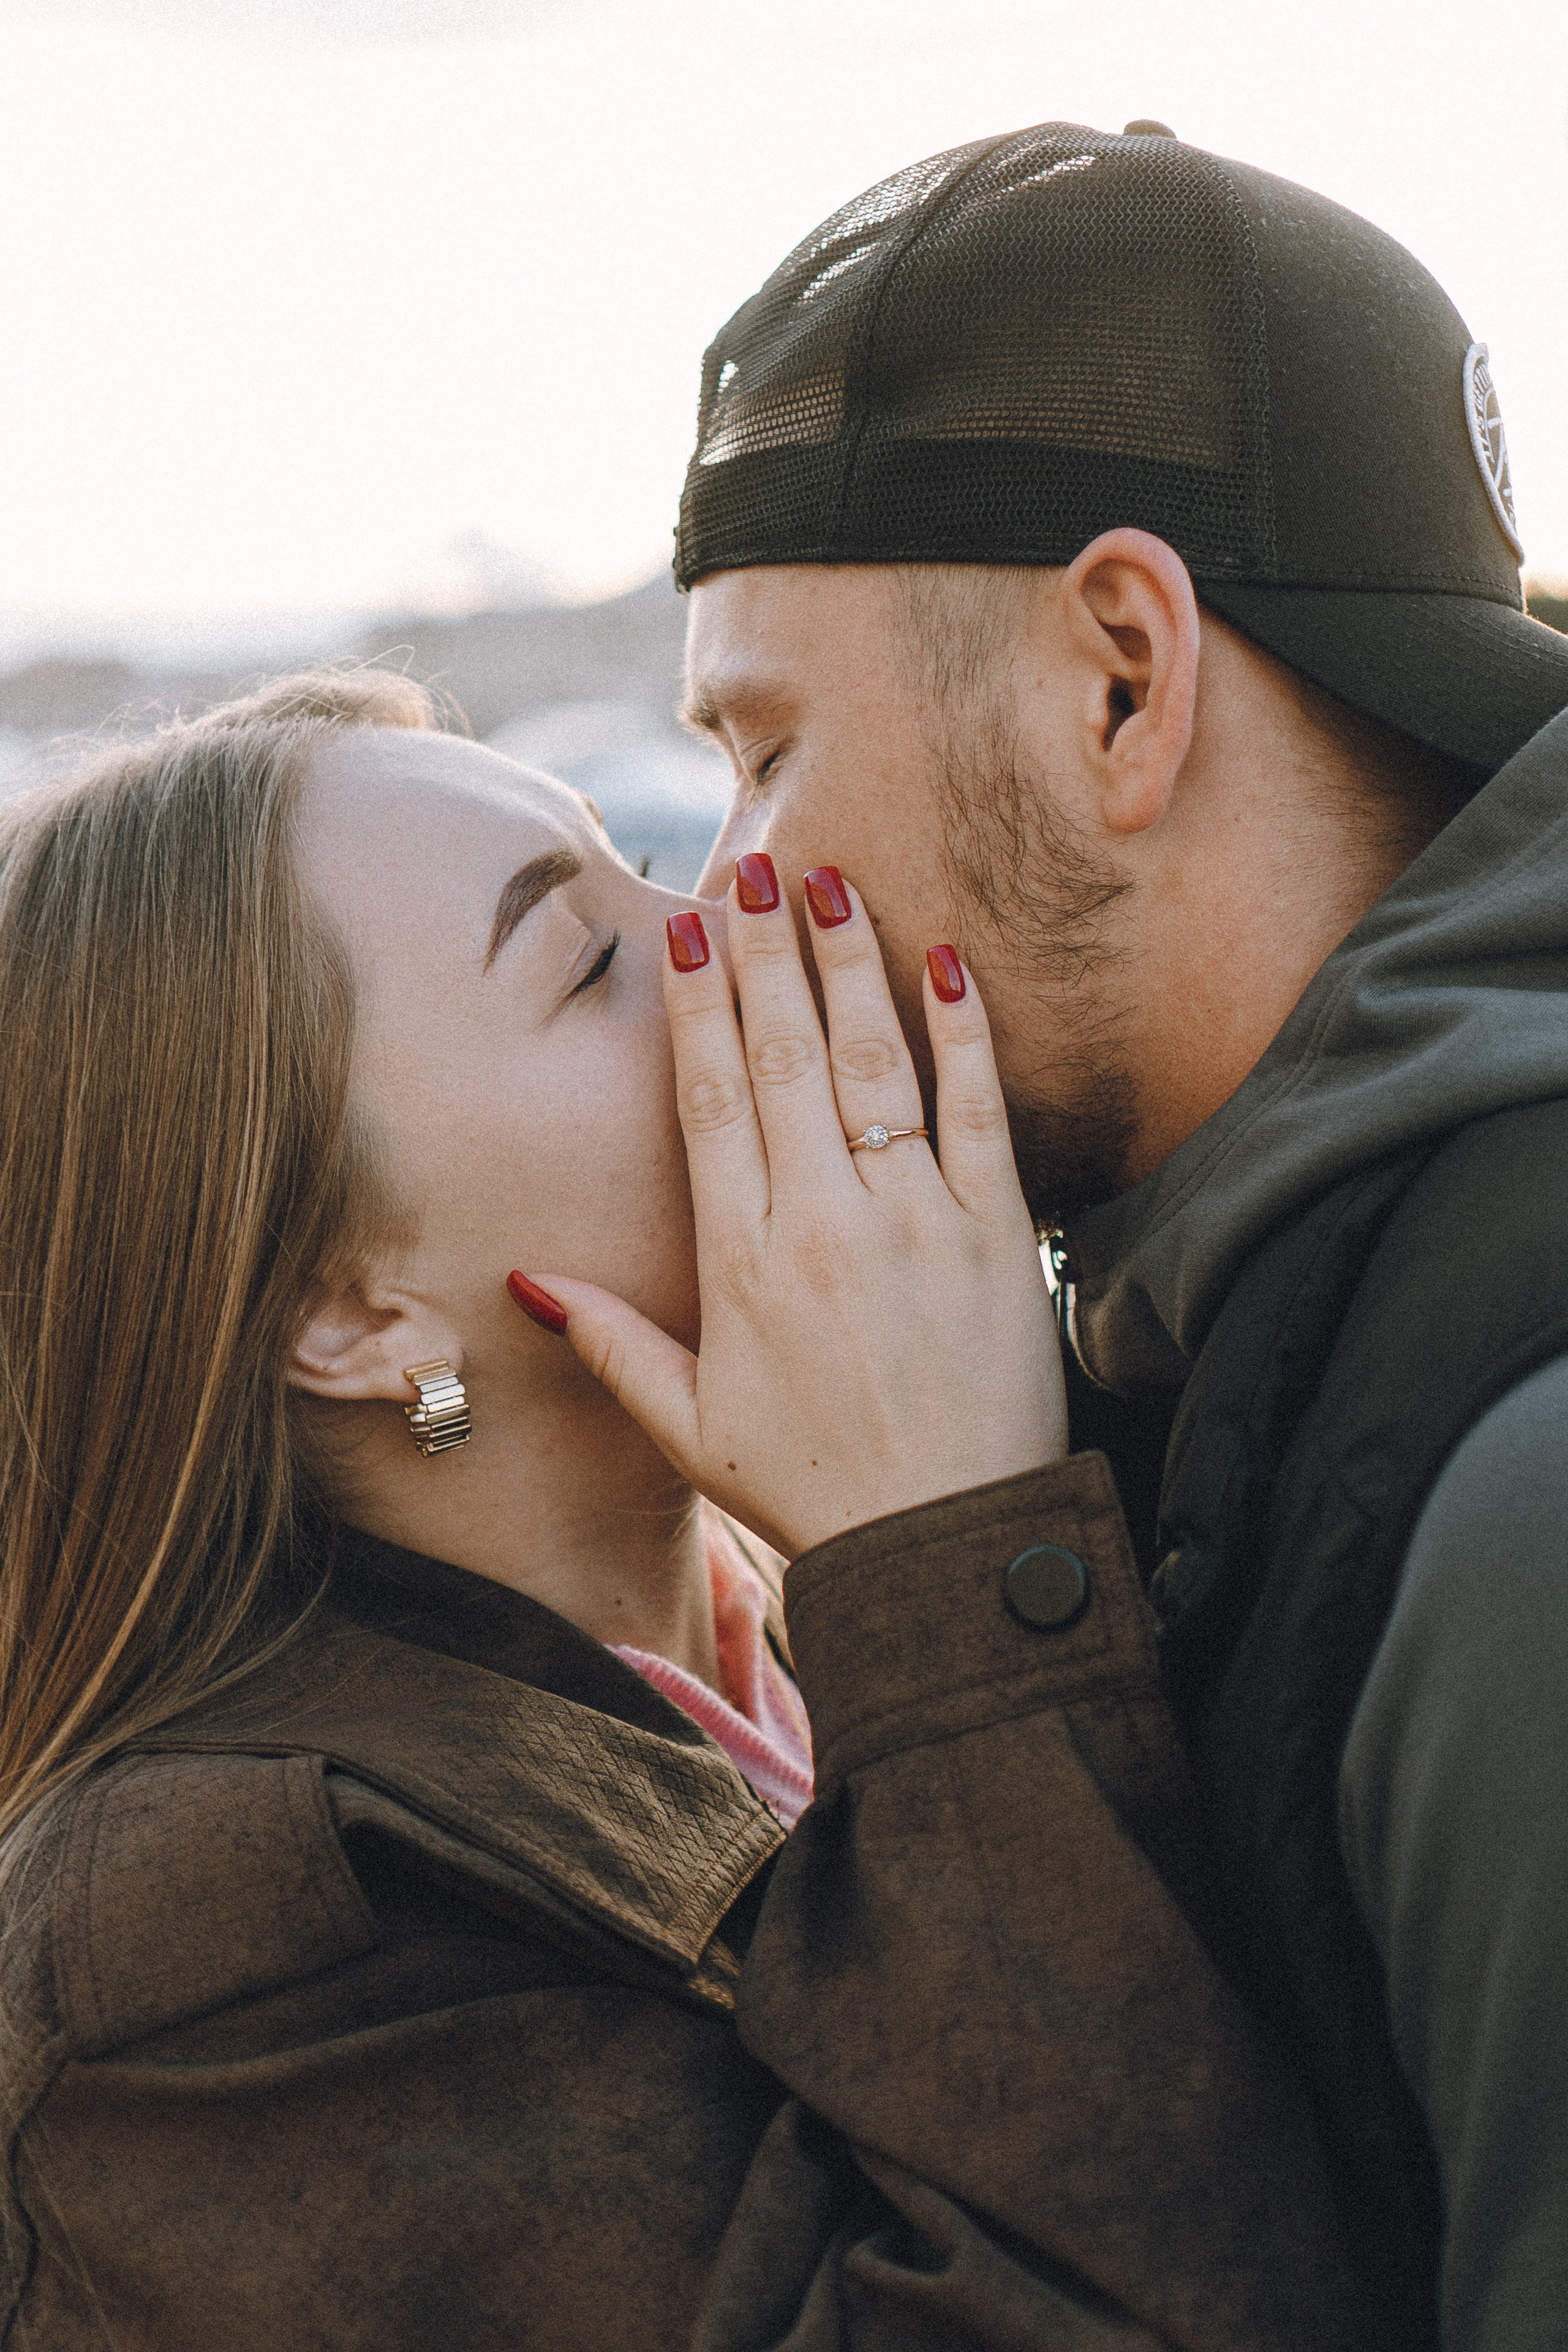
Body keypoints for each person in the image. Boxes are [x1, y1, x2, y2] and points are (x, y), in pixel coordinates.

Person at [0, 670, 1372, 2348]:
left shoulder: (794, 1612)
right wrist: (951, 1558)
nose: (720, 912)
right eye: (582, 959)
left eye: (633, 858)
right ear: (346, 1315)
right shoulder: (201, 1951)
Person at [540, 120, 1568, 2352]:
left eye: (764, 748)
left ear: (1122, 678)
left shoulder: (1523, 1481)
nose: (719, 892)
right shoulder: (1248, 1312)